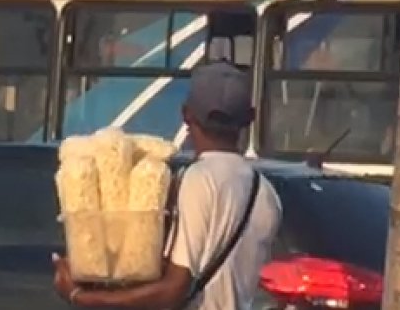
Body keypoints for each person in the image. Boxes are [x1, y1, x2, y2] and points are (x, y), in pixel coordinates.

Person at [53, 61, 283, 309]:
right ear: (250, 118)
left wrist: (81, 295)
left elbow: (174, 289)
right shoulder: (267, 194)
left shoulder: (196, 180)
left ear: (186, 114)